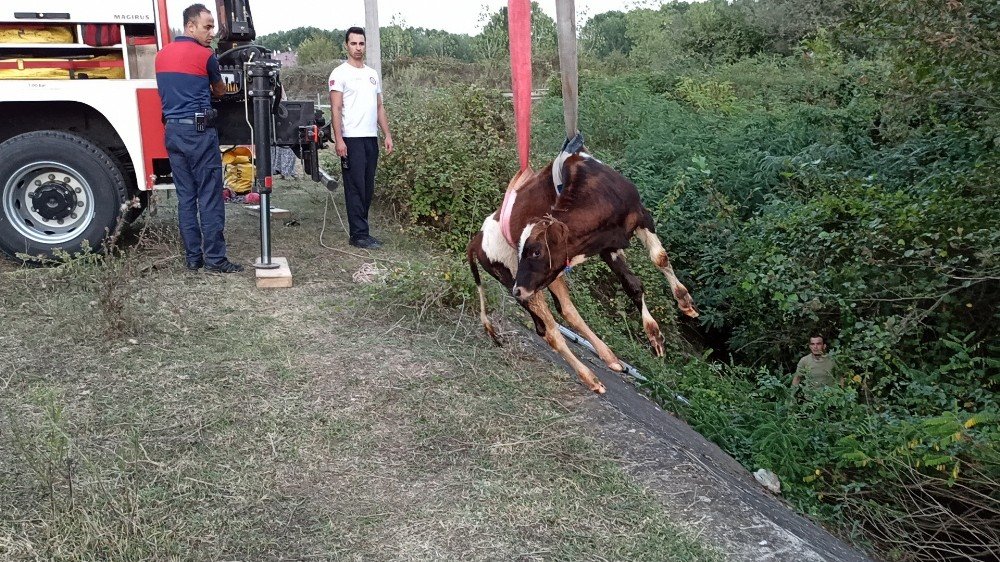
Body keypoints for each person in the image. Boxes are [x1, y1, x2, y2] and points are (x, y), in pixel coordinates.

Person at [155, 4, 243, 273]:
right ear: (190, 26)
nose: (212, 32)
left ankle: (193, 259)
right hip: (199, 133)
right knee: (209, 197)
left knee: (186, 198)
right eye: (207, 26)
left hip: (173, 132)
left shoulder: (161, 55)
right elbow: (219, 89)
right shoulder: (206, 56)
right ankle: (216, 260)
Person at [328, 26, 394, 250]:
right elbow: (335, 109)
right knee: (355, 186)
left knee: (367, 186)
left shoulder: (372, 75)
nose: (358, 48)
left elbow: (379, 106)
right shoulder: (340, 74)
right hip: (351, 139)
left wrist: (386, 134)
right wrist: (339, 140)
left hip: (370, 138)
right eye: (353, 43)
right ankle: (358, 235)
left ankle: (363, 230)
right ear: (346, 45)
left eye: (361, 43)